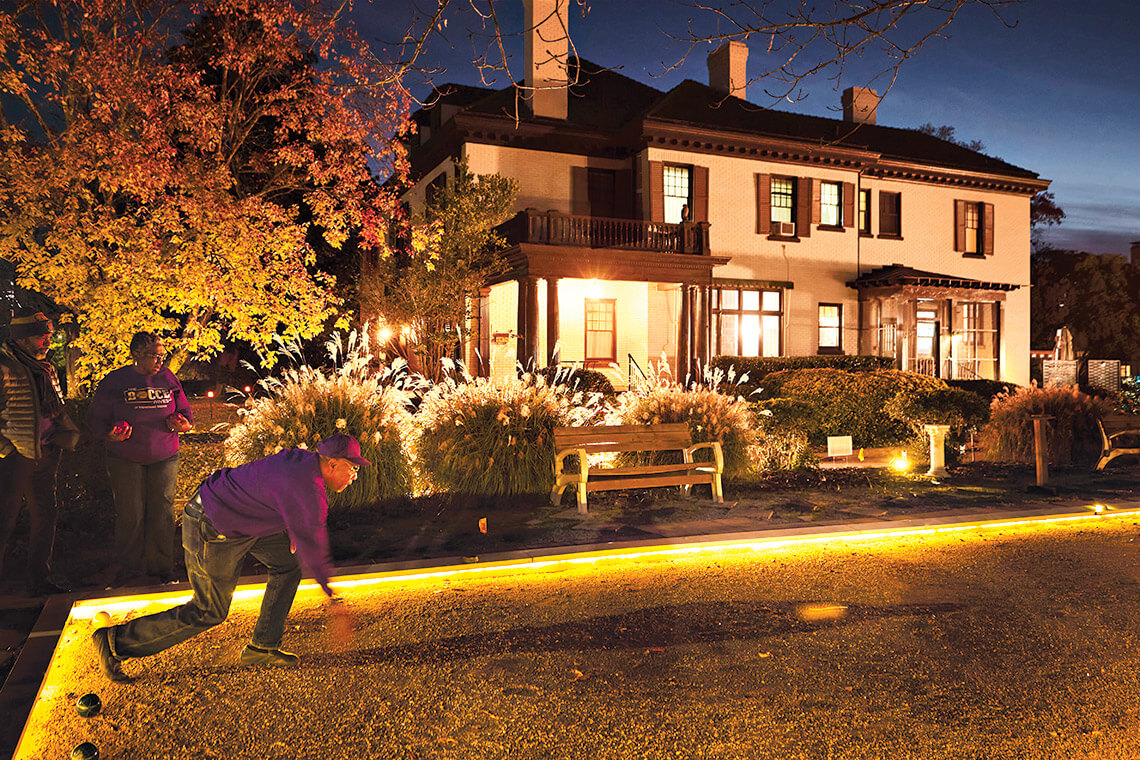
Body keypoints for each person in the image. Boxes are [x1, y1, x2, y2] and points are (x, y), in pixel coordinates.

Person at [91, 433, 368, 682]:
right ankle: (116, 642)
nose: (355, 475)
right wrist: (335, 602)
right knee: (208, 610)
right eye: (352, 468)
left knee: (287, 565)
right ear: (332, 464)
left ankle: (262, 647)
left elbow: (275, 490)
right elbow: (315, 549)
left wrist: (295, 528)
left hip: (242, 517)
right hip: (212, 522)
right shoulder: (309, 491)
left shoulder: (304, 462)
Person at [88, 332, 193, 584]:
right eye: (153, 355)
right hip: (126, 457)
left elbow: (186, 414)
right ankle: (129, 570)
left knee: (163, 512)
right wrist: (109, 435)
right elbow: (95, 420)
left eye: (161, 355)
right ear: (135, 354)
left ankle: (161, 569)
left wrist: (182, 423)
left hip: (165, 455)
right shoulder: (116, 381)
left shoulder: (168, 377)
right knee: (130, 514)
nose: (159, 360)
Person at [0, 309, 81, 596]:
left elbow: (55, 407)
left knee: (46, 515)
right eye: (40, 335)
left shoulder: (45, 368)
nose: (47, 340)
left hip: (45, 452)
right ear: (21, 339)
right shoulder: (4, 366)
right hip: (14, 457)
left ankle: (39, 579)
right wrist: (7, 449)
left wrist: (64, 432)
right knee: (4, 520)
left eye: (48, 334)